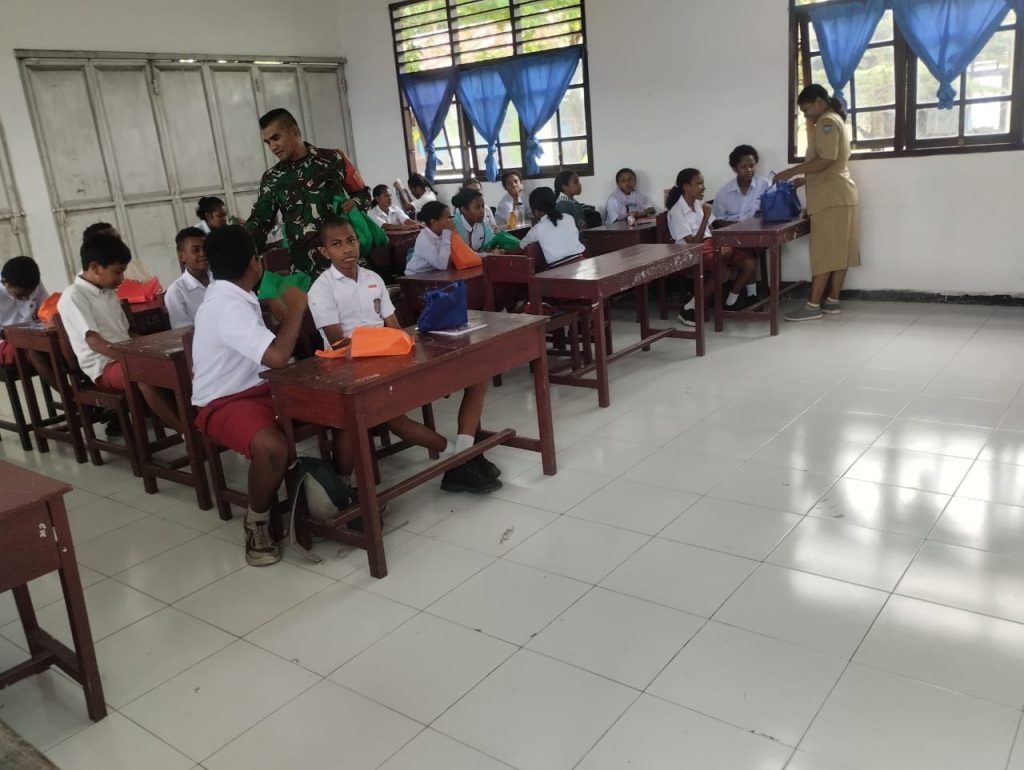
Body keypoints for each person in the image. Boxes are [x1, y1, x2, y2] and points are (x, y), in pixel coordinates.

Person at [308, 217, 501, 493]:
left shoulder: (373, 279)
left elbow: (395, 328)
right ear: (325, 251)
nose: (347, 249)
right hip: (352, 368)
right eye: (337, 244)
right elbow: (339, 343)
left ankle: (463, 454)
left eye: (351, 240)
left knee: (476, 377)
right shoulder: (321, 288)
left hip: (390, 357)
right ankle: (458, 458)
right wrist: (382, 344)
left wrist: (411, 354)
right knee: (392, 416)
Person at [191, 225, 347, 565]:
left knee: (338, 406)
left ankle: (338, 493)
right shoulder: (226, 306)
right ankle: (257, 521)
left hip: (263, 388)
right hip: (224, 400)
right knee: (273, 448)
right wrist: (297, 308)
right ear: (255, 262)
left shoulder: (235, 294)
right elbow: (277, 358)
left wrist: (278, 307)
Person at [56, 234, 181, 433]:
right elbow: (94, 342)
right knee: (144, 374)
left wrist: (156, 346)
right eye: (118, 272)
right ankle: (186, 433)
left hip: (124, 356)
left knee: (177, 363)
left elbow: (126, 333)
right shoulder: (74, 296)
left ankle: (193, 423)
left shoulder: (109, 292)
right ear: (95, 267)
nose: (122, 279)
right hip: (104, 366)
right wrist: (132, 358)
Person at [245, 108, 371, 279]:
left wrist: (355, 203)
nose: (272, 147)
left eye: (276, 138)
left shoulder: (334, 159)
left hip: (345, 263)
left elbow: (363, 193)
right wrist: (239, 241)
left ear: (295, 132)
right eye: (267, 142)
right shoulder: (272, 179)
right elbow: (260, 221)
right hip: (305, 271)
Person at [774, 84, 860, 322]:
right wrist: (805, 179)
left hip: (830, 200)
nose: (806, 115)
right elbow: (831, 163)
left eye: (807, 109)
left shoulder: (826, 122)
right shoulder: (835, 120)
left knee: (823, 252)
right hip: (841, 196)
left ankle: (812, 306)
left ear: (819, 102)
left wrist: (792, 171)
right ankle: (832, 300)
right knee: (840, 252)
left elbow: (826, 159)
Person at [667, 168, 757, 326]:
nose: (703, 187)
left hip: (709, 244)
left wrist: (724, 243)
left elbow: (711, 230)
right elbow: (693, 243)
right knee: (723, 272)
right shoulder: (676, 212)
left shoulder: (698, 204)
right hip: (691, 252)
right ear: (686, 186)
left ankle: (731, 302)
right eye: (699, 184)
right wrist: (706, 217)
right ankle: (689, 307)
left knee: (749, 262)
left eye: (703, 183)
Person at [0, 257, 53, 387]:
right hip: (4, 342)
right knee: (34, 350)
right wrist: (22, 337)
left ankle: (81, 387)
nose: (27, 298)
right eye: (21, 295)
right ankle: (68, 395)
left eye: (30, 293)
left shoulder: (33, 282)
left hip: (31, 334)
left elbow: (46, 311)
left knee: (62, 341)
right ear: (5, 283)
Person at [519, 188, 585, 266]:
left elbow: (522, 245)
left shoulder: (537, 229)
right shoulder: (569, 218)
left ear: (536, 211)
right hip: (581, 261)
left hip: (558, 269)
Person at [712, 145, 771, 225]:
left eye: (752, 166)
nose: (749, 170)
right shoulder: (724, 192)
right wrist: (737, 227)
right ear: (734, 169)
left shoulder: (766, 185)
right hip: (731, 230)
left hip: (760, 229)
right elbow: (717, 220)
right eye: (743, 167)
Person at [164, 227, 210, 328]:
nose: (203, 254)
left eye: (205, 248)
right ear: (182, 257)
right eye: (195, 250)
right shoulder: (176, 292)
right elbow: (184, 331)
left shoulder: (220, 279)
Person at [82, 222, 155, 283]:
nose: (119, 244)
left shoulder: (139, 266)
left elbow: (157, 289)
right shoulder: (87, 281)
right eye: (111, 242)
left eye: (118, 239)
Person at [404, 201, 454, 275]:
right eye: (447, 218)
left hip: (434, 274)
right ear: (433, 222)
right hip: (416, 276)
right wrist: (447, 233)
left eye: (451, 217)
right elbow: (442, 265)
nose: (451, 221)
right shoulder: (424, 239)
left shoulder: (443, 233)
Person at [451, 187, 494, 252]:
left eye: (482, 206)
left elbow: (491, 245)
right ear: (464, 209)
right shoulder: (453, 228)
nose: (482, 211)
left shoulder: (485, 224)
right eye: (477, 207)